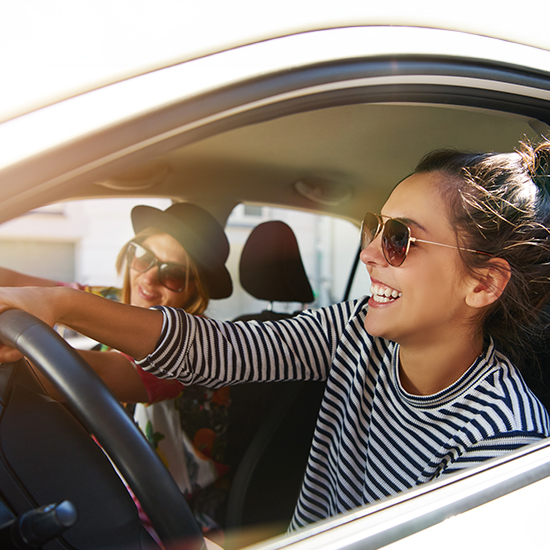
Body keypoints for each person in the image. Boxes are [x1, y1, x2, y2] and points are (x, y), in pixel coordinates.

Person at [1, 140, 550, 533]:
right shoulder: (358, 331)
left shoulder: (503, 439)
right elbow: (223, 352)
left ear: (483, 283)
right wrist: (60, 304)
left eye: (402, 239)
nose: (370, 254)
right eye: (374, 228)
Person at [0, 202, 233, 538]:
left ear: (196, 290)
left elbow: (82, 376)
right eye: (143, 258)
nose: (149, 279)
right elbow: (17, 285)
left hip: (171, 527)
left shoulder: (193, 351)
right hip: (107, 497)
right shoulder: (109, 301)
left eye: (172, 274)